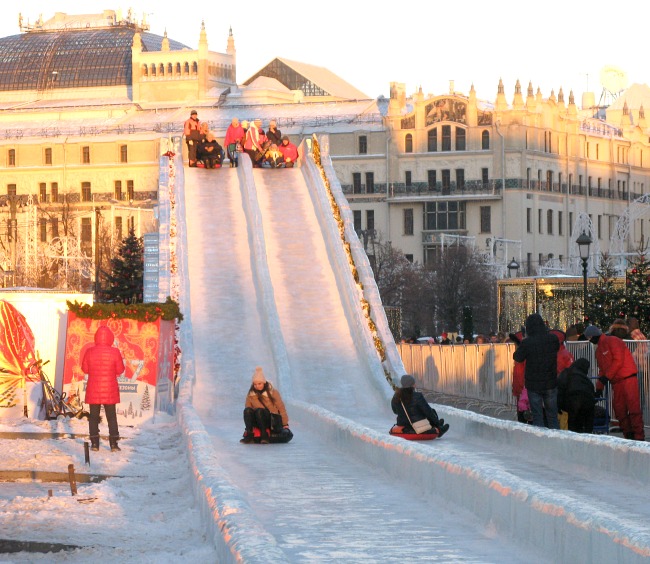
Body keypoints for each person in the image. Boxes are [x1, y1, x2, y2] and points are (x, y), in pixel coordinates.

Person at [584, 324, 645, 440]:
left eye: (589, 338)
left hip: (627, 379)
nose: (589, 341)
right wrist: (599, 387)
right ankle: (629, 435)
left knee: (633, 409)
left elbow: (618, 361)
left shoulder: (612, 341)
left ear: (592, 336)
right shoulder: (600, 349)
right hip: (617, 382)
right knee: (620, 411)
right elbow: (602, 369)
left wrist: (606, 377)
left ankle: (639, 438)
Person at [81, 326, 126, 452]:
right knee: (111, 417)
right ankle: (114, 444)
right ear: (110, 338)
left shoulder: (89, 351)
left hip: (94, 389)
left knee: (94, 417)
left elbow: (85, 369)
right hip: (109, 389)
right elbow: (120, 370)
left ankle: (95, 444)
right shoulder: (115, 352)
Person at [513, 313, 560, 429]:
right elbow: (556, 348)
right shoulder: (553, 339)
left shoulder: (527, 342)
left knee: (537, 415)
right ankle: (557, 440)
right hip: (550, 382)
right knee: (552, 415)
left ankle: (539, 441)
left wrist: (522, 343)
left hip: (533, 383)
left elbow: (517, 357)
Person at [241, 367, 290, 444]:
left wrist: (285, 424)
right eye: (255, 384)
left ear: (264, 383)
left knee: (259, 410)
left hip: (270, 420)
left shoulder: (273, 392)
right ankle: (250, 434)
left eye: (259, 384)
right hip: (257, 419)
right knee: (247, 410)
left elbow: (281, 408)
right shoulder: (251, 395)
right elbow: (248, 408)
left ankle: (264, 435)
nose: (257, 386)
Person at [557, 357, 595, 433]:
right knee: (586, 424)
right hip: (588, 400)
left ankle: (573, 441)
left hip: (573, 399)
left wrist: (559, 405)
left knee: (572, 424)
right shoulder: (585, 378)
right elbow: (592, 390)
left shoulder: (567, 373)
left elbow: (560, 389)